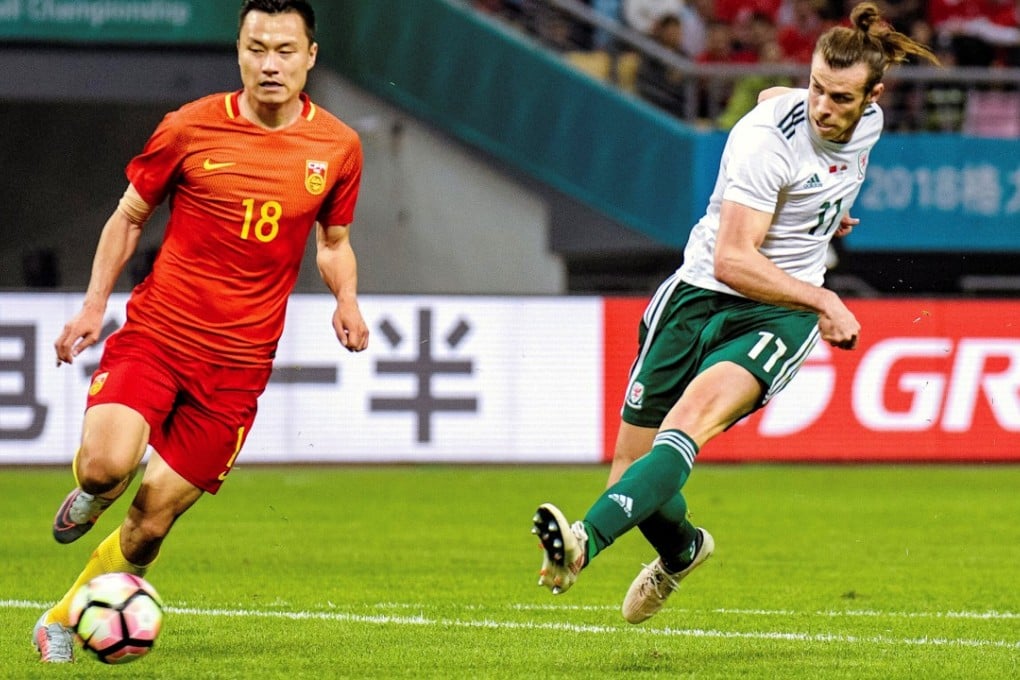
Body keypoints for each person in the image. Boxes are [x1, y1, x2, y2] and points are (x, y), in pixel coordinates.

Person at [532, 1, 938, 624]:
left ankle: (582, 542)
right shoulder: (764, 145)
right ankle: (683, 551)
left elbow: (800, 131)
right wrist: (828, 296)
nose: (823, 108)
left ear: (873, 97)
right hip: (702, 292)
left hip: (776, 312)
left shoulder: (871, 122)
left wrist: (820, 217)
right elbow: (732, 260)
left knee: (688, 423)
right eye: (815, 90)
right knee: (632, 471)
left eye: (839, 97)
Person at [34, 0, 368, 663]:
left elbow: (333, 242)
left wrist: (347, 299)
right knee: (109, 468)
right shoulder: (188, 129)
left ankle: (63, 619)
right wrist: (93, 305)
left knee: (153, 520)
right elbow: (129, 216)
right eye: (255, 48)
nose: (269, 63)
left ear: (310, 56)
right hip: (159, 335)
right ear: (238, 51)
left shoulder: (337, 147)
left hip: (238, 370)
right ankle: (92, 493)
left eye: (283, 50)